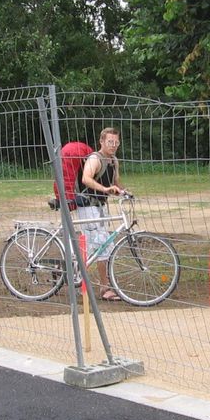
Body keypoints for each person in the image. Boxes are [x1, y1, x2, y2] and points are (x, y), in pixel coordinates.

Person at [77, 127, 124, 301]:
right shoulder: (95, 159)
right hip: (89, 206)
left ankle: (81, 273)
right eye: (110, 142)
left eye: (116, 142)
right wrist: (105, 189)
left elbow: (116, 182)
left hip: (100, 207)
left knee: (99, 244)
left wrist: (123, 191)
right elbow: (86, 178)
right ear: (101, 142)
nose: (113, 145)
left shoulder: (113, 161)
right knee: (102, 246)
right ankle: (105, 289)